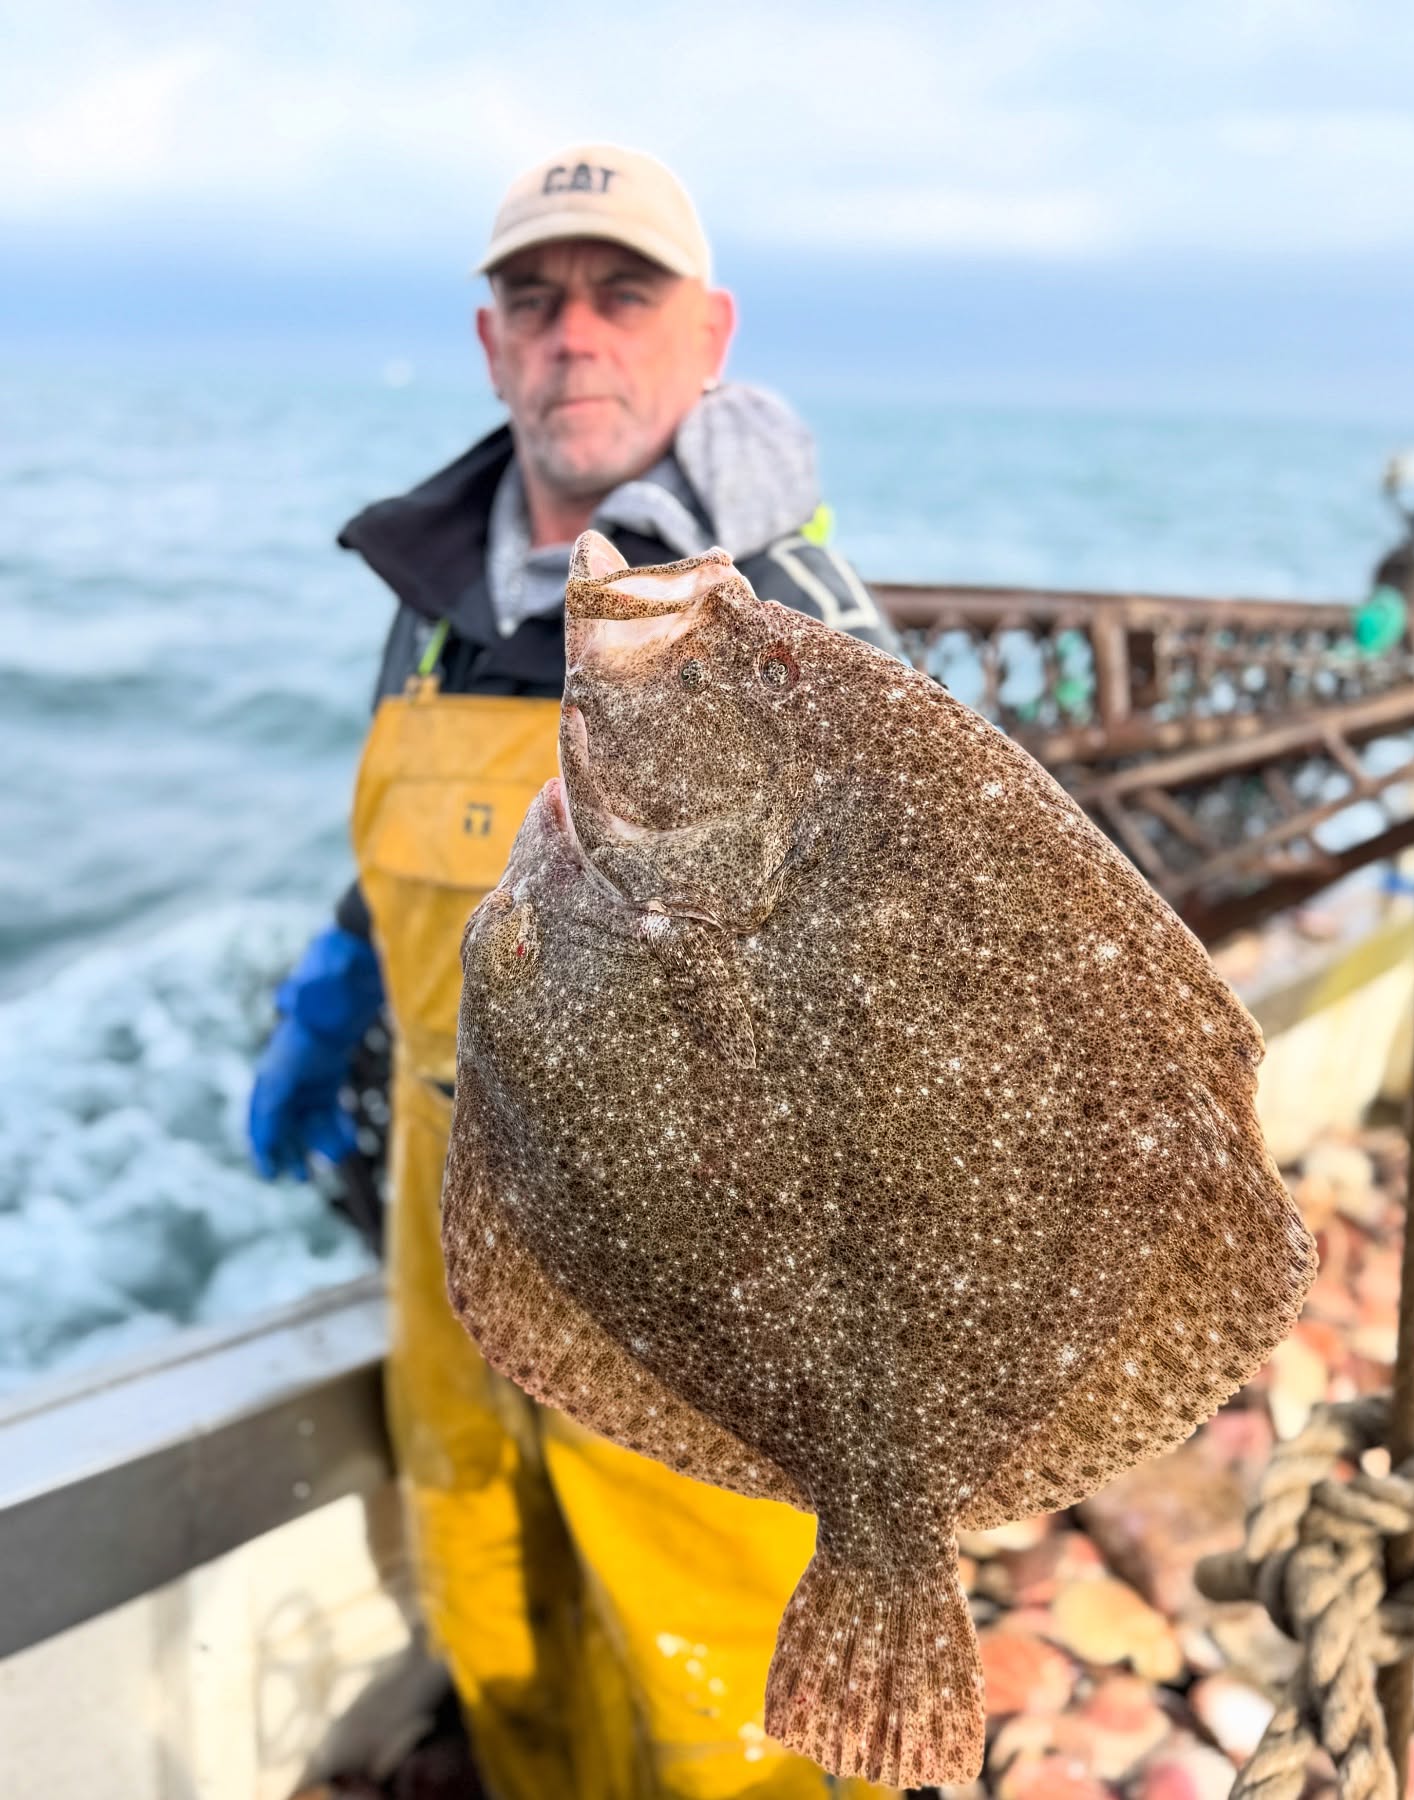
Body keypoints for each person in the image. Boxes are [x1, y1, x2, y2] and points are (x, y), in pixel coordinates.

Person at [249, 144, 905, 1800]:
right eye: (535, 303)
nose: (575, 337)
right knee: (494, 1603)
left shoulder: (800, 618)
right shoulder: (430, 592)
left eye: (625, 296)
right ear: (491, 348)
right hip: (444, 1221)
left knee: (721, 1699)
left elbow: (914, 963)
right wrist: (344, 973)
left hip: (691, 1262)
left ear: (712, 334)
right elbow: (408, 850)